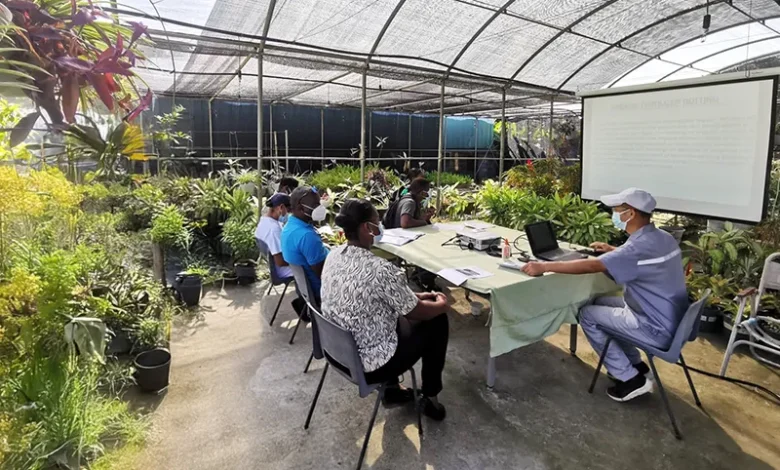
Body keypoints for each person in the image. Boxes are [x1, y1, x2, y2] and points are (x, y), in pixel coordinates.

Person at [521, 188, 688, 402]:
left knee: (588, 315)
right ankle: (636, 364)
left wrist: (543, 267)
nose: (614, 214)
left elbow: (592, 266)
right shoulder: (663, 237)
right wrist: (613, 251)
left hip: (654, 326)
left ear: (631, 214)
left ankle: (629, 379)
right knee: (599, 301)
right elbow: (638, 260)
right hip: (669, 315)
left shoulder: (636, 247)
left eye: (617, 210)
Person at [321, 199, 449, 420]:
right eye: (376, 223)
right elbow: (416, 312)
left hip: (337, 351)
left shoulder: (333, 256)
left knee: (393, 316)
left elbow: (384, 297)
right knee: (437, 320)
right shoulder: (380, 269)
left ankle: (393, 390)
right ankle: (431, 397)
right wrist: (441, 304)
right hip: (371, 365)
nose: (379, 229)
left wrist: (415, 296)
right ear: (365, 228)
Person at [281, 186, 330, 298]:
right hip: (322, 293)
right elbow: (324, 274)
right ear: (300, 208)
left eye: (319, 203)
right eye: (315, 205)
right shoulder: (307, 236)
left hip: (306, 294)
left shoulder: (290, 226)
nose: (320, 208)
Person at [255, 193, 293, 279]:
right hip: (282, 270)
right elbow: (280, 262)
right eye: (289, 210)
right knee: (313, 263)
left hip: (273, 265)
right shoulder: (273, 229)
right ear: (281, 207)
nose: (289, 213)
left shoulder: (264, 221)